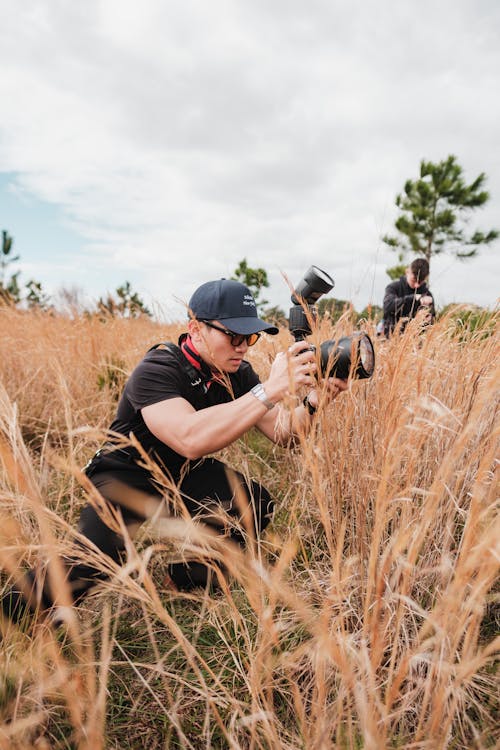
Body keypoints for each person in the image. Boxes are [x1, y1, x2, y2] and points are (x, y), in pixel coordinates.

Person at [2, 278, 348, 623]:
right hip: (126, 474)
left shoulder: (238, 373)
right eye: (233, 336)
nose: (243, 346)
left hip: (182, 473)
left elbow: (283, 432)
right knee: (93, 563)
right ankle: (10, 617)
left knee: (253, 505)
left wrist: (319, 400)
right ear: (195, 329)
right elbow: (190, 438)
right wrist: (270, 391)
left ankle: (180, 580)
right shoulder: (159, 368)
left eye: (251, 337)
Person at [382, 258, 435, 337]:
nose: (417, 285)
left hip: (415, 342)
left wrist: (429, 318)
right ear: (407, 272)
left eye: (420, 282)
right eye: (414, 280)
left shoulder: (427, 295)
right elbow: (388, 307)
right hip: (391, 338)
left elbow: (431, 322)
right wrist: (413, 299)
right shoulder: (393, 287)